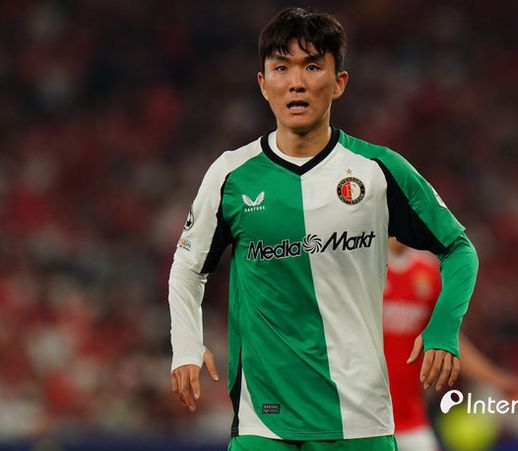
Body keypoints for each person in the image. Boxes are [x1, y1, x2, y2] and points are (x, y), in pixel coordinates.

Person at [168, 7, 479, 451]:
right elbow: (187, 267)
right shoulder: (231, 174)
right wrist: (185, 345)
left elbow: (459, 248)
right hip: (264, 425)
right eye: (281, 68)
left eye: (312, 66)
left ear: (339, 82)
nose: (296, 82)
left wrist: (444, 328)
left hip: (360, 421)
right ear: (263, 84)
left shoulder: (378, 171)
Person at [384, 238, 518, 451]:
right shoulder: (365, 266)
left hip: (410, 417)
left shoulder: (428, 272)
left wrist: (496, 379)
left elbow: (448, 338)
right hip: (365, 417)